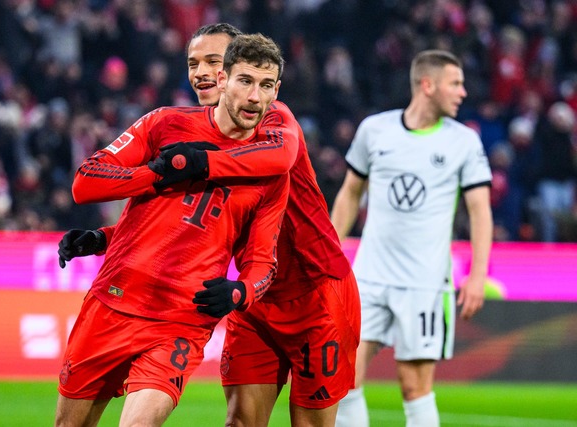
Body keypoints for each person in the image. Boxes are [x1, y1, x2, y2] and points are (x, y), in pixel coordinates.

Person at [59, 23, 360, 427]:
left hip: (316, 290)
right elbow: (189, 220)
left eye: (213, 61)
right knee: (239, 422)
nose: (202, 72)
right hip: (250, 299)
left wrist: (196, 163)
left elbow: (279, 157)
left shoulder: (275, 126)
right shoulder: (170, 124)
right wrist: (106, 237)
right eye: (193, 63)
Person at [331, 49, 493, 427]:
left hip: (424, 284)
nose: (463, 92)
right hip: (368, 278)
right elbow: (350, 193)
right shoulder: (375, 130)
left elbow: (480, 210)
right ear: (427, 85)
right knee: (343, 377)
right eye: (455, 83)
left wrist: (478, 274)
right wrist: (328, 251)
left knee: (414, 387)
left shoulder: (463, 142)